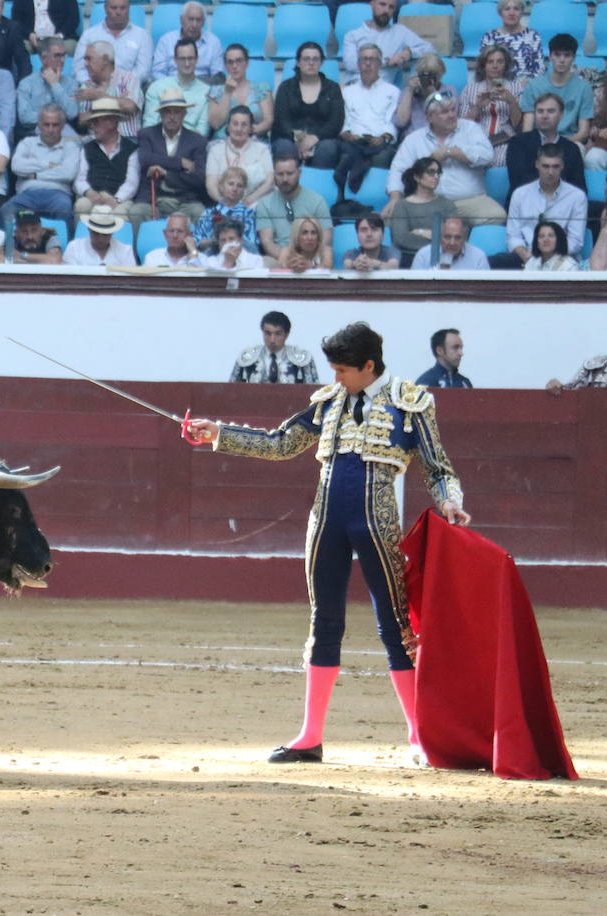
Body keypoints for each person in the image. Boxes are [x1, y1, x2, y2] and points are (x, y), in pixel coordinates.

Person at [187, 322, 469, 766]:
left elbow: (437, 466)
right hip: (326, 523)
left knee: (396, 626)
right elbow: (279, 444)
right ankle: (310, 737)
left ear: (368, 366)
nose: (335, 378)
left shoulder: (411, 404)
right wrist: (217, 433)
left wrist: (451, 501)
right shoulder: (328, 402)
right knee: (324, 622)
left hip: (377, 523)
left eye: (342, 370)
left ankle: (419, 736)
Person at [384, 94, 502, 226]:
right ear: (429, 117)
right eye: (445, 112)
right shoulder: (414, 139)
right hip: (428, 202)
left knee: (497, 216)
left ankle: (456, 234)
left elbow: (487, 155)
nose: (452, 115)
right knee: (391, 220)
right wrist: (395, 198)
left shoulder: (470, 128)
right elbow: (398, 169)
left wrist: (450, 152)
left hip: (469, 201)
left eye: (453, 110)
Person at [498, 143, 586, 270]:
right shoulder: (520, 194)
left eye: (555, 166)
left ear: (562, 166)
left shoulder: (577, 196)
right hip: (526, 255)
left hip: (561, 257)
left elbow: (575, 241)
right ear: (537, 164)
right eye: (546, 166)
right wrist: (528, 257)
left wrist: (548, 256)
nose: (550, 172)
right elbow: (513, 236)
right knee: (495, 263)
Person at [333, 44, 398, 199]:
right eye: (364, 59)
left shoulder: (392, 91)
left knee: (382, 155)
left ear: (380, 64)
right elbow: (343, 119)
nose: (368, 64)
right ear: (358, 64)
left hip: (379, 141)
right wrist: (346, 133)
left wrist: (384, 137)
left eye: (373, 59)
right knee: (345, 152)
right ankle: (343, 199)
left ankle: (373, 199)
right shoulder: (347, 91)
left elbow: (392, 121)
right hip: (352, 141)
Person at [135, 87, 209, 223]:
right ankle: (135, 245)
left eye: (177, 112)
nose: (172, 117)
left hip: (184, 201)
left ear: (184, 114)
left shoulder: (197, 141)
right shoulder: (147, 134)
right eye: (167, 112)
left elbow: (198, 178)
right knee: (137, 211)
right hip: (152, 200)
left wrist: (166, 174)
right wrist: (179, 162)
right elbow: (145, 159)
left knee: (200, 212)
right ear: (161, 114)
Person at [0, 104, 78, 227]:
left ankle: (62, 246)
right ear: (39, 125)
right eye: (46, 124)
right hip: (27, 194)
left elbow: (68, 174)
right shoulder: (27, 143)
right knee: (7, 209)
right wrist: (49, 165)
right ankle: (9, 246)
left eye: (55, 125)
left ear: (62, 126)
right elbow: (16, 166)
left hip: (58, 195)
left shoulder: (71, 147)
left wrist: (35, 175)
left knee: (65, 207)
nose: (51, 129)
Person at [73, 97, 146, 224]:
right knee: (81, 206)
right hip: (92, 195)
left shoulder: (131, 149)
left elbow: (131, 183)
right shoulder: (87, 148)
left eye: (96, 122)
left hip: (119, 199)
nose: (93, 127)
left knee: (120, 213)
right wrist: (89, 192)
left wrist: (116, 200)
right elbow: (79, 179)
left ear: (112, 122)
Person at [271, 42, 343, 167]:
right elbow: (281, 120)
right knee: (284, 147)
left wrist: (315, 138)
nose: (311, 63)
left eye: (315, 59)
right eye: (306, 59)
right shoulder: (285, 87)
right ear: (298, 62)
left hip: (321, 139)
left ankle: (318, 185)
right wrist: (298, 140)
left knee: (328, 148)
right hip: (288, 138)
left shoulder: (333, 88)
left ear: (321, 63)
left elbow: (336, 121)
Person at [506, 93, 586, 200]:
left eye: (551, 111)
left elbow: (579, 188)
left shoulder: (572, 149)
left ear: (561, 115)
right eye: (540, 111)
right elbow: (519, 181)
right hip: (525, 204)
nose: (544, 116)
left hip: (562, 206)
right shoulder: (518, 143)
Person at [255, 153, 332, 262]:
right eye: (280, 174)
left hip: (311, 258)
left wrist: (306, 260)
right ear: (274, 175)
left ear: (299, 173)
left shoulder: (317, 201)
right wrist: (290, 259)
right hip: (280, 259)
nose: (285, 179)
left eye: (289, 174)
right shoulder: (264, 204)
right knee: (265, 262)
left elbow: (326, 238)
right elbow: (267, 242)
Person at [458, 45, 524, 169]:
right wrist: (478, 106)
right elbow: (462, 127)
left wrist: (511, 102)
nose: (495, 66)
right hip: (477, 142)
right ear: (483, 65)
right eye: (490, 62)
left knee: (505, 160)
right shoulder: (470, 90)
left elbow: (519, 126)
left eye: (500, 61)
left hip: (506, 142)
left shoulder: (516, 88)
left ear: (506, 65)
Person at [519, 34, 592, 144]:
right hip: (539, 142)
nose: (562, 60)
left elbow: (583, 132)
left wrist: (558, 145)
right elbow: (527, 129)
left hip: (570, 142)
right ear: (550, 56)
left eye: (567, 55)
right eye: (557, 55)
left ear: (574, 58)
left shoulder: (584, 88)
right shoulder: (534, 86)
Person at [340, 0, 433, 85]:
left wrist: (409, 53)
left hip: (384, 92)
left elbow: (430, 49)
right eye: (382, 4)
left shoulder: (400, 32)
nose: (386, 10)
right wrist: (387, 62)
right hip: (356, 87)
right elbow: (350, 65)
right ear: (372, 4)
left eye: (391, 7)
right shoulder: (353, 35)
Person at [388, 157, 454, 267]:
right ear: (417, 177)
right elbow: (401, 239)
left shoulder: (447, 204)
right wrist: (437, 237)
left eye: (438, 173)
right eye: (431, 172)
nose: (436, 177)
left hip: (443, 258)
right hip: (409, 259)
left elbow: (457, 233)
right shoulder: (402, 205)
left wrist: (419, 232)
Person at [205, 106, 272, 207]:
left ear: (251, 128)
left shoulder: (262, 149)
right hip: (224, 205)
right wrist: (223, 202)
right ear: (228, 127)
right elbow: (211, 185)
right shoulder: (216, 149)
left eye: (244, 125)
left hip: (256, 204)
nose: (239, 129)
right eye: (235, 124)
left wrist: (249, 200)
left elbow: (270, 182)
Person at [74, 40, 141, 141]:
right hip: (96, 141)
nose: (85, 64)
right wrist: (117, 104)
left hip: (127, 140)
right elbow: (82, 120)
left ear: (105, 59)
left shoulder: (128, 78)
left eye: (89, 59)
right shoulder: (87, 85)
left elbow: (130, 107)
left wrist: (98, 97)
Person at [228, 310, 318, 384]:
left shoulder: (301, 359)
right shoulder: (247, 357)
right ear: (262, 332)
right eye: (268, 333)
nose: (272, 339)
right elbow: (231, 391)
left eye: (278, 334)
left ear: (286, 335)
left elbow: (314, 394)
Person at [73, 0, 149, 86]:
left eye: (123, 8)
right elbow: (78, 68)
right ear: (105, 9)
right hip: (93, 87)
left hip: (128, 89)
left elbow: (143, 71)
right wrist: (89, 83)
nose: (118, 12)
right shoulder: (89, 35)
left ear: (128, 9)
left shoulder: (142, 35)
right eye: (113, 8)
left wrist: (121, 85)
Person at [16, 36, 78, 142]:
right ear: (44, 58)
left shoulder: (71, 83)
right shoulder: (26, 84)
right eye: (57, 56)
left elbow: (72, 113)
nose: (63, 60)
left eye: (64, 55)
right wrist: (56, 116)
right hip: (34, 135)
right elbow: (24, 117)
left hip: (64, 133)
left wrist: (55, 85)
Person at [144, 40, 209, 138]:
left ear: (197, 60)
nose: (187, 63)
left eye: (190, 58)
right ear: (175, 60)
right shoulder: (157, 87)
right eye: (182, 59)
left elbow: (202, 131)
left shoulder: (206, 91)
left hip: (191, 146)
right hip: (159, 143)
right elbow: (149, 126)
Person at [206, 44, 272, 142]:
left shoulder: (261, 88)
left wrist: (247, 132)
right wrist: (227, 93)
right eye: (230, 62)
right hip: (223, 143)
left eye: (239, 61)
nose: (235, 66)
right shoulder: (215, 91)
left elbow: (268, 121)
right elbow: (215, 124)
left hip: (255, 142)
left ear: (247, 63)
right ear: (225, 66)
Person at [150, 2, 222, 82]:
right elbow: (157, 73)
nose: (194, 25)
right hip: (171, 89)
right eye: (190, 19)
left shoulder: (213, 42)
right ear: (181, 20)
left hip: (203, 89)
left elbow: (217, 77)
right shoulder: (166, 41)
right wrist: (172, 87)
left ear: (203, 22)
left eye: (198, 20)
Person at [193, 166, 258, 251]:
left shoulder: (249, 214)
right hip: (210, 259)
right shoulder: (208, 213)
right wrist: (213, 241)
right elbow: (196, 241)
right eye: (231, 184)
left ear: (243, 191)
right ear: (221, 186)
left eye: (239, 186)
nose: (235, 189)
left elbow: (252, 243)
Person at [480, 0, 542, 80]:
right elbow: (483, 67)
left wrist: (527, 83)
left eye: (516, 9)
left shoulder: (533, 36)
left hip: (526, 87)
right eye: (507, 9)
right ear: (500, 13)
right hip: (496, 85)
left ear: (521, 12)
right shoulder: (489, 37)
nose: (511, 13)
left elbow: (539, 68)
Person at [62, 203, 135, 267]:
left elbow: (131, 281)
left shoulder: (125, 251)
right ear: (89, 229)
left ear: (112, 232)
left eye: (105, 234)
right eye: (96, 233)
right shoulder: (74, 248)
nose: (101, 239)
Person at [411, 215, 489, 269]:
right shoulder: (423, 255)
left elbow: (485, 289)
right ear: (440, 237)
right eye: (447, 237)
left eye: (458, 237)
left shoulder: (478, 257)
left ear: (465, 238)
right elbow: (413, 287)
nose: (452, 243)